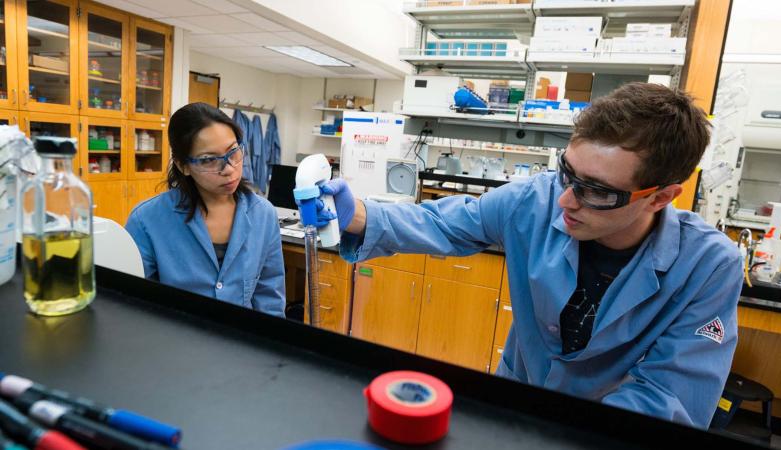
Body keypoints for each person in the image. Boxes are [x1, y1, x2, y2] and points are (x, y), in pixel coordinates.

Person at [311, 83, 742, 428]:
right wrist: (358, 215)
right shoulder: (534, 201)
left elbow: (668, 392)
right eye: (567, 173)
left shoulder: (708, 266)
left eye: (596, 190)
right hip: (512, 407)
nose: (566, 201)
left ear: (661, 197)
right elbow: (442, 223)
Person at [126, 103, 285, 317]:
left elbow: (270, 298)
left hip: (242, 343)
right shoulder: (146, 221)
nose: (228, 169)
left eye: (233, 152)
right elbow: (135, 304)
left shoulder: (263, 214)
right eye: (209, 160)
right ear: (183, 166)